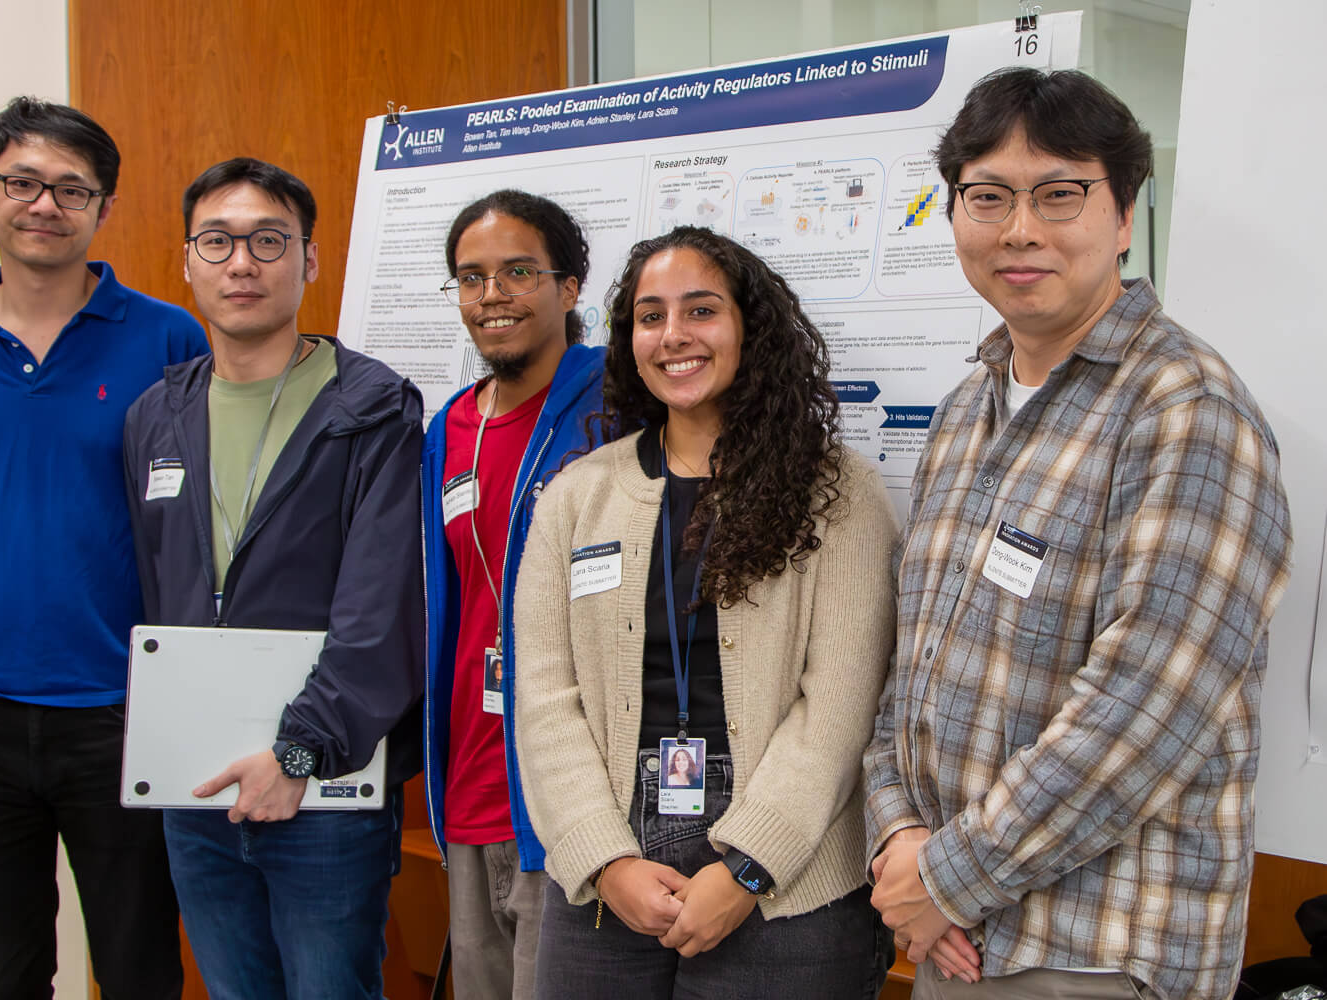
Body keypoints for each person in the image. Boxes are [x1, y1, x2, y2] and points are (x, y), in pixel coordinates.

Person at [863, 68, 1293, 1000]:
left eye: (1061, 194)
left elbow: (1144, 712)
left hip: (1094, 951)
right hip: (951, 933)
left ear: (1127, 214)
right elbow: (910, 670)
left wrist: (944, 877)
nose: (1020, 228)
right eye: (988, 197)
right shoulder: (965, 410)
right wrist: (900, 841)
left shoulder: (1186, 408)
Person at [513, 226, 898, 999]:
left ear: (749, 328)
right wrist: (606, 859)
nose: (674, 336)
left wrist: (749, 864)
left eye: (701, 311)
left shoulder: (838, 494)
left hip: (789, 883)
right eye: (650, 316)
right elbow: (547, 702)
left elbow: (842, 705)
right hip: (611, 869)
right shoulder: (575, 498)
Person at [0, 96, 207, 999]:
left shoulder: (168, 339)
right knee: (3, 970)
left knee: (142, 967)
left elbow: (193, 525)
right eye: (21, 182)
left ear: (104, 208)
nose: (43, 205)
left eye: (72, 188)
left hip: (124, 711)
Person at [122, 157, 424, 999]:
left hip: (321, 780)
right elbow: (154, 587)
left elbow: (383, 606)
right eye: (217, 242)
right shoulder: (156, 415)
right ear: (187, 261)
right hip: (198, 782)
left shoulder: (373, 409)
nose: (242, 263)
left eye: (267, 241)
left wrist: (300, 750)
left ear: (310, 261)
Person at [422, 189, 605, 998]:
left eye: (518, 271)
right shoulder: (449, 428)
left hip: (569, 795)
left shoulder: (624, 404)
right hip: (468, 781)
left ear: (570, 287)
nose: (492, 295)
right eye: (471, 277)